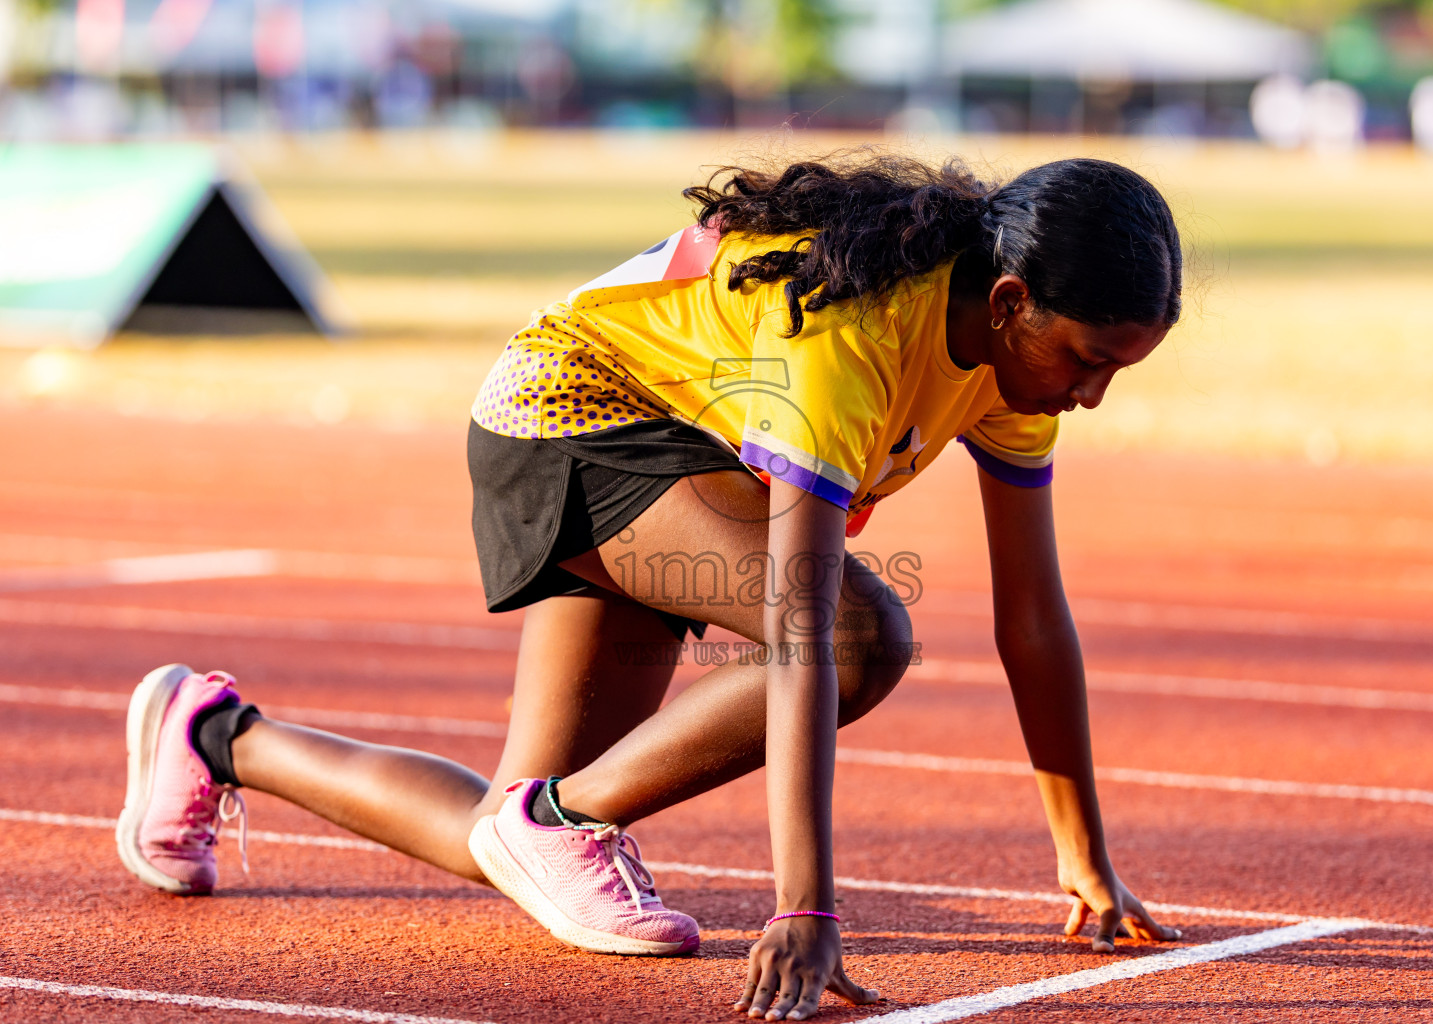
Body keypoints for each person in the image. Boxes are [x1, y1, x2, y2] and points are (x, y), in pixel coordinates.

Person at [116, 152, 1185, 1022]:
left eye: (1116, 372)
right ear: (1009, 300)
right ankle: (563, 818)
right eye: (1086, 358)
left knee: (509, 836)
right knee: (867, 633)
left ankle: (213, 734)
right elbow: (806, 633)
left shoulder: (1014, 371)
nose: (1091, 395)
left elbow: (1033, 619)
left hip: (678, 450)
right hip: (567, 414)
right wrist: (804, 904)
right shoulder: (853, 335)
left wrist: (1084, 860)